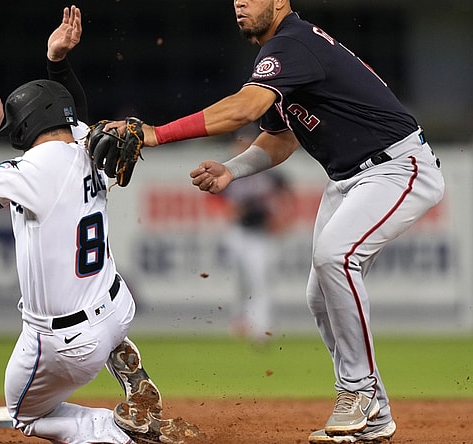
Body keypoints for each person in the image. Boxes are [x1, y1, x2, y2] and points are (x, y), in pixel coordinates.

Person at [105, 1, 445, 442]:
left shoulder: (293, 44)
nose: (239, 4)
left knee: (336, 257)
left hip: (398, 166)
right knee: (319, 295)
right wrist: (233, 169)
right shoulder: (285, 54)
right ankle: (374, 415)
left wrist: (156, 133)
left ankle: (358, 391)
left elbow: (242, 109)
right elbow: (281, 138)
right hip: (350, 178)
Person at [0, 6, 201, 444]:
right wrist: (58, 63)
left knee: (25, 415)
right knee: (103, 302)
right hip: (116, 309)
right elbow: (77, 113)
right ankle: (131, 371)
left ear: (26, 124)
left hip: (66, 341)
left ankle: (120, 433)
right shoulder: (90, 147)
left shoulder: (38, 166)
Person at [221, 126, 295, 343]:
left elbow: (288, 196)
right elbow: (216, 201)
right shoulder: (229, 170)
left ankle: (261, 328)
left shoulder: (269, 172)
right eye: (240, 141)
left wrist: (283, 220)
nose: (243, 145)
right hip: (237, 232)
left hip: (261, 235)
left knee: (260, 281)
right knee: (240, 282)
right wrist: (231, 211)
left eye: (247, 142)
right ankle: (239, 321)